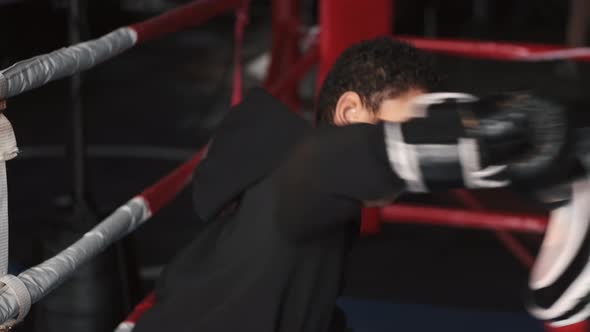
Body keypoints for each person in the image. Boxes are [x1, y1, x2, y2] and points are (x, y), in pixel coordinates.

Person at [132, 37, 571, 332]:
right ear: (349, 113)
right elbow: (341, 158)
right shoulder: (302, 175)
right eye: (402, 126)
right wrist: (514, 132)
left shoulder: (311, 194)